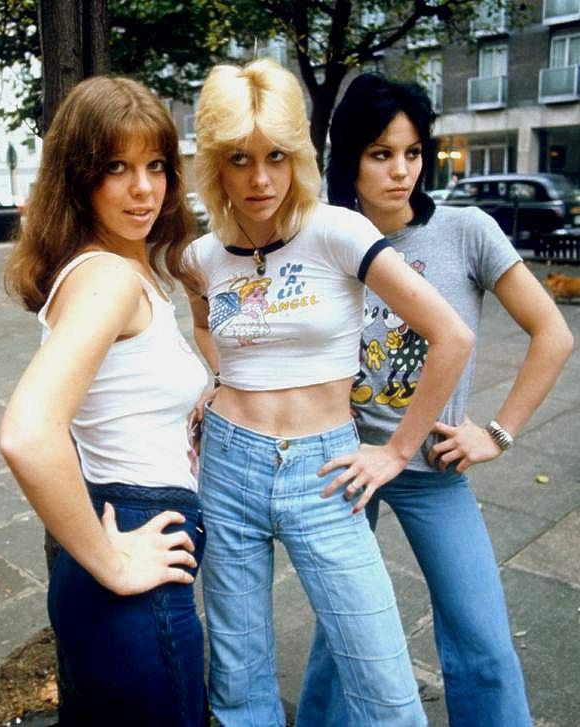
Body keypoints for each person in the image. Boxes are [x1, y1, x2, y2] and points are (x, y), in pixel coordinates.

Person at [185, 58, 476, 726]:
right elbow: (206, 326)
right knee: (239, 678)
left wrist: (397, 450)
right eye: (239, 158)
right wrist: (222, 379)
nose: (260, 179)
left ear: (300, 155)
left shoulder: (338, 232)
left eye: (277, 156)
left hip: (324, 471)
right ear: (215, 166)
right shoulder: (200, 257)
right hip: (227, 468)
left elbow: (450, 336)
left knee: (385, 688)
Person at [300, 72, 573, 726]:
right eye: (381, 154)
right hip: (349, 466)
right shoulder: (324, 236)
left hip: (432, 470)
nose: (402, 171)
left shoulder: (465, 230)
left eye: (413, 152)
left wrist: (498, 432)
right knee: (344, 635)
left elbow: (553, 333)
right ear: (350, 160)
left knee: (481, 636)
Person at [0, 76, 209, 725]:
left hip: (108, 559)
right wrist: (114, 562)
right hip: (135, 574)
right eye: (116, 167)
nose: (144, 188)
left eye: (155, 166)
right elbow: (28, 433)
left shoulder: (109, 270)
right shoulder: (110, 279)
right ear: (78, 176)